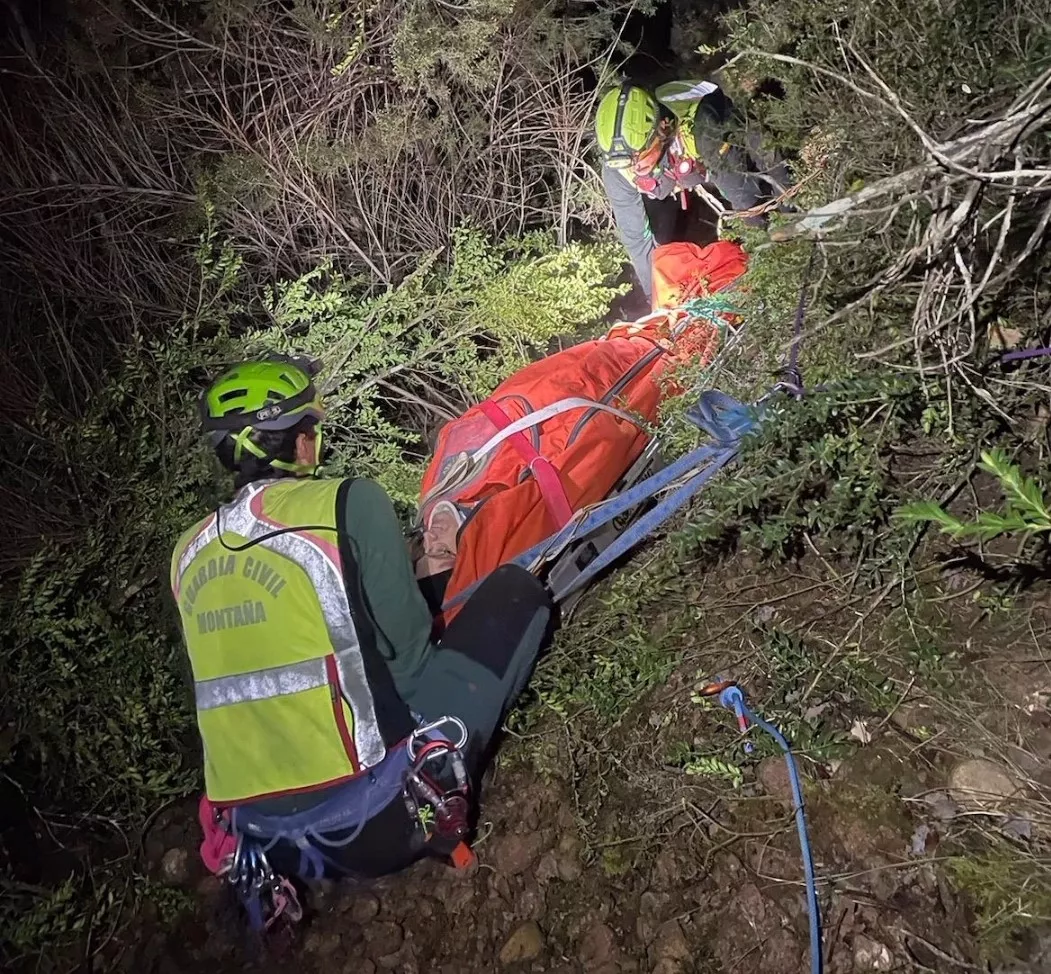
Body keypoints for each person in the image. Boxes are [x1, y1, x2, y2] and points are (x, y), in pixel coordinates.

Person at [170, 354, 552, 893]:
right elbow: (409, 659)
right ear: (302, 440)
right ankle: (437, 803)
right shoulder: (347, 502)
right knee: (516, 592)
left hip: (262, 841)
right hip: (373, 823)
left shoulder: (187, 553)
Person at [595, 79, 793, 300]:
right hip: (672, 174)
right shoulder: (617, 167)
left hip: (716, 138)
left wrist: (769, 247)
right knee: (660, 243)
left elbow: (744, 197)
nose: (634, 168)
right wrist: (656, 298)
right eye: (627, 164)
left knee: (754, 191)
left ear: (661, 130)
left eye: (639, 160)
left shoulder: (700, 125)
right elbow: (636, 238)